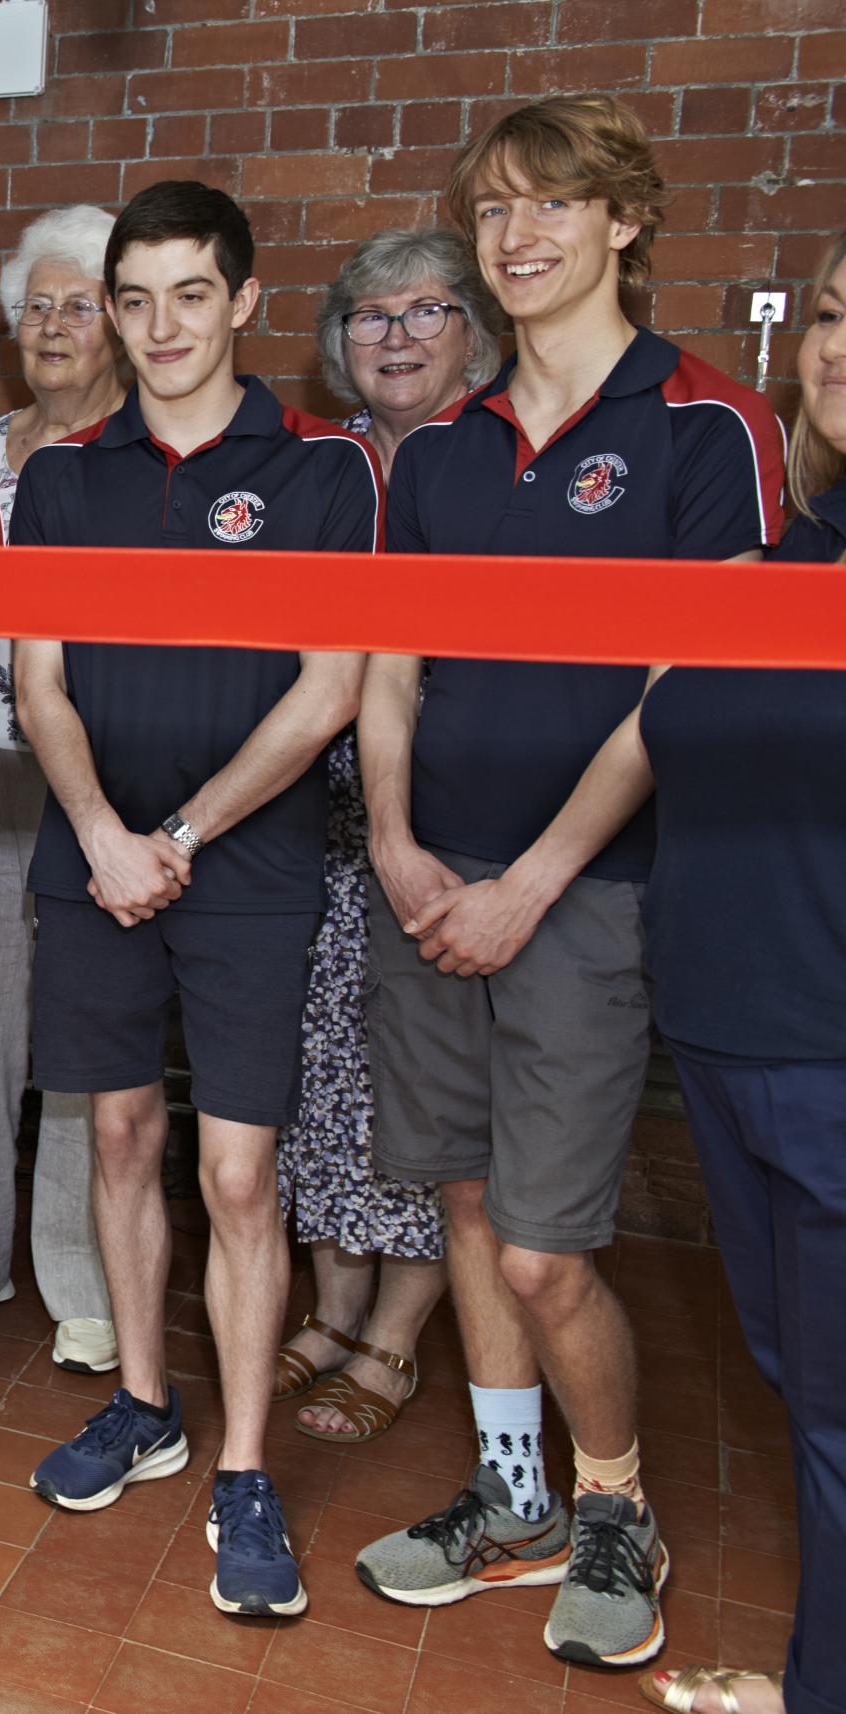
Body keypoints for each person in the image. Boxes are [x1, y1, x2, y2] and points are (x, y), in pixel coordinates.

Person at [350, 98, 783, 1670]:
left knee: (545, 1242)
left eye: (552, 207)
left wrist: (530, 879)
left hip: (584, 899)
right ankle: (514, 1494)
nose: (516, 238)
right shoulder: (447, 445)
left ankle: (619, 1506)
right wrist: (395, 845)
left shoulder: (707, 424)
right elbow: (388, 670)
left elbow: (684, 689)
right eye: (493, 212)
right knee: (463, 1200)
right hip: (427, 883)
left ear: (624, 222)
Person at [15, 180, 377, 1620]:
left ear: (240, 301)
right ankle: (147, 1401)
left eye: (188, 294)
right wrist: (105, 830)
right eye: (133, 296)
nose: (159, 326)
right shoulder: (63, 478)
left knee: (238, 1176)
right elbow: (37, 678)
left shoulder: (322, 472)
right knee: (116, 1131)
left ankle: (240, 1467)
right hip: (91, 859)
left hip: (251, 872)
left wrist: (177, 830)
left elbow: (330, 688)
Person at [629, 235, 845, 1714]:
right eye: (834, 313)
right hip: (723, 1029)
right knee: (807, 1383)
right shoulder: (785, 558)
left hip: (830, 1052)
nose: (840, 344)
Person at [271, 228, 504, 1443]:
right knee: (323, 1077)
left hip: (444, 831)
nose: (398, 337)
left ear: (475, 331)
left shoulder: (498, 466)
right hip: (318, 821)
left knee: (425, 1092)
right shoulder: (327, 471)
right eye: (371, 316)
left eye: (426, 312)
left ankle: (398, 1331)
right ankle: (331, 1298)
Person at [0, 206, 125, 1375]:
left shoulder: (138, 463)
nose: (53, 326)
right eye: (36, 306)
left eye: (81, 304)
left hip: (94, 779)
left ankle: (82, 1277)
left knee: (82, 1033)